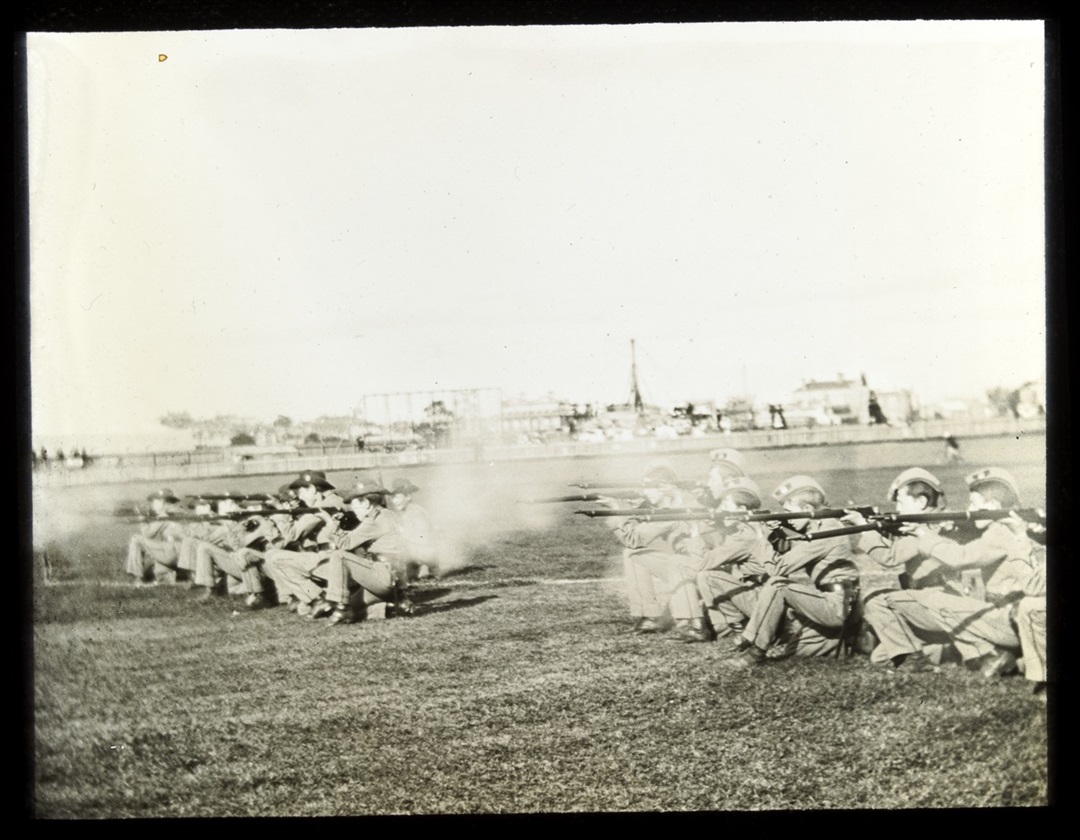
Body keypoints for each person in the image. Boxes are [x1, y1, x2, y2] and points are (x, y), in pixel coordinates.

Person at [858, 468, 1038, 679]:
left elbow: (960, 557)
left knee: (933, 602)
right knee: (882, 656)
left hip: (1012, 618)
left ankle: (989, 654)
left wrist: (923, 534)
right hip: (1008, 618)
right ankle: (988, 655)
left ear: (993, 506)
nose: (968, 508)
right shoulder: (1000, 530)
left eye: (974, 503)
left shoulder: (1001, 532)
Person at [724, 475, 859, 668]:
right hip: (839, 602)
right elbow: (792, 547)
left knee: (778, 585)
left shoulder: (824, 533)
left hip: (838, 605)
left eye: (789, 512)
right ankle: (848, 637)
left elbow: (777, 568)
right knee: (795, 649)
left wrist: (760, 535)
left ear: (807, 510)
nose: (787, 517)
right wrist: (779, 532)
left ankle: (755, 650)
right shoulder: (822, 525)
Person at [848, 468, 955, 671]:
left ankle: (920, 658)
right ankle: (948, 648)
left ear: (921, 503)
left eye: (901, 502)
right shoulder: (926, 522)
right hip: (927, 605)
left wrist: (863, 526)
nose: (897, 508)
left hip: (940, 603)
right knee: (882, 658)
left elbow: (891, 557)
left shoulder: (928, 526)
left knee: (875, 599)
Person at [600, 463, 697, 635]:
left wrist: (617, 509)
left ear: (664, 487)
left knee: (632, 552)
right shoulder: (682, 500)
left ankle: (657, 617)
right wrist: (640, 509)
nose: (643, 492)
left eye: (648, 488)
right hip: (692, 566)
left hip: (697, 570)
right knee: (633, 555)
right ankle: (650, 616)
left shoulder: (673, 511)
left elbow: (633, 539)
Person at [687, 476, 773, 646]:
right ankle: (734, 626)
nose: (721, 510)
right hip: (760, 593)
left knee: (706, 576)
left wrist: (694, 531)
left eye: (726, 505)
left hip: (761, 598)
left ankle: (741, 628)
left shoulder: (744, 536)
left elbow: (701, 564)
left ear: (741, 509)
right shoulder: (748, 528)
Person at [323, 485, 413, 625]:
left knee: (339, 556)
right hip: (394, 580)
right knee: (353, 610)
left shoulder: (374, 520)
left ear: (365, 503)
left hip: (383, 576)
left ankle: (342, 607)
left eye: (353, 505)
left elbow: (345, 543)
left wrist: (333, 523)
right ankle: (391, 608)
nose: (353, 510)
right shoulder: (387, 514)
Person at [262, 471, 344, 618]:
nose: (299, 497)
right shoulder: (330, 501)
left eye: (301, 492)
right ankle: (309, 597)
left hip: (334, 562)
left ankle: (317, 599)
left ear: (313, 489)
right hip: (330, 559)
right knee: (273, 555)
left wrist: (280, 511)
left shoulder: (324, 505)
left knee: (276, 558)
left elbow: (291, 535)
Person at [124, 488, 185, 584]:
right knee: (158, 574)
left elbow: (147, 534)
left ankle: (137, 578)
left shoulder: (165, 515)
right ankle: (173, 575)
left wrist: (142, 517)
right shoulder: (178, 511)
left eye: (155, 501)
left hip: (174, 553)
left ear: (165, 502)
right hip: (184, 555)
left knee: (136, 539)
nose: (152, 504)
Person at [386, 477, 439, 580]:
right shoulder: (409, 511)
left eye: (397, 497)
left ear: (408, 497)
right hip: (420, 553)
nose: (394, 501)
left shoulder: (415, 513)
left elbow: (423, 538)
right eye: (393, 498)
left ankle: (425, 569)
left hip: (423, 554)